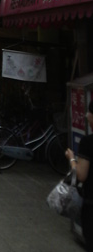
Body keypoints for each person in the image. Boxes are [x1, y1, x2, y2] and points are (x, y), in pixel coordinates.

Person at [66, 99, 93, 251]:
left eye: (89, 112)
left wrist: (71, 159)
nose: (87, 116)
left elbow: (81, 175)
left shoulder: (88, 142)